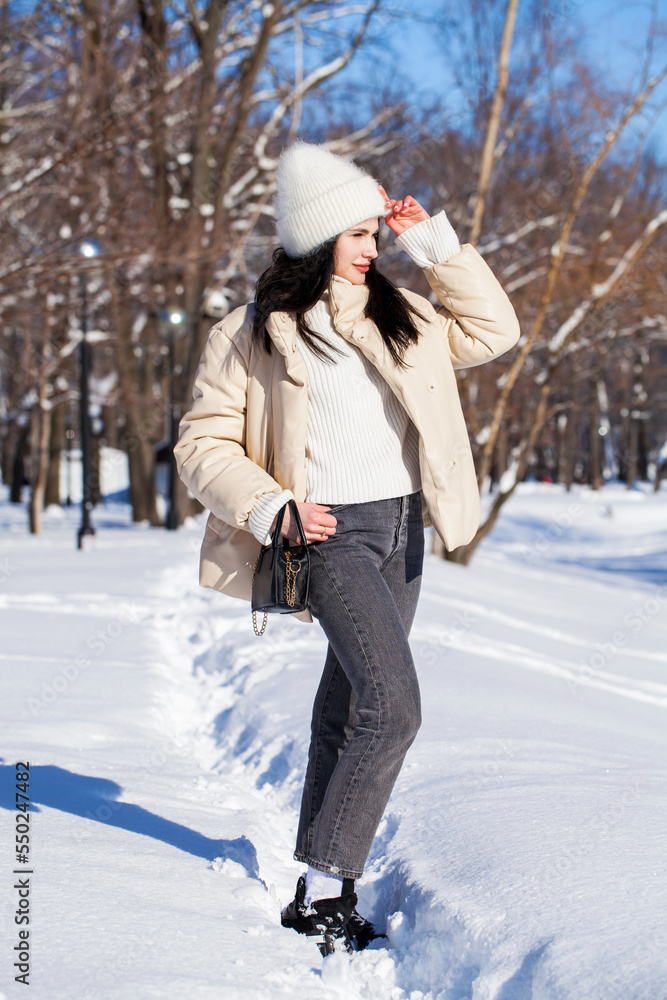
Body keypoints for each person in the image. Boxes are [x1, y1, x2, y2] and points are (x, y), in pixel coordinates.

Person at [174, 141, 520, 955]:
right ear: (317, 237)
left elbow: (495, 331)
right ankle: (328, 887)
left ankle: (316, 882)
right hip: (324, 532)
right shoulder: (251, 331)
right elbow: (201, 444)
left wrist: (432, 244)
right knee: (392, 709)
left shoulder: (402, 313)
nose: (374, 247)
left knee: (349, 706)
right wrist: (272, 507)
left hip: (401, 528)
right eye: (359, 234)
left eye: (376, 233)